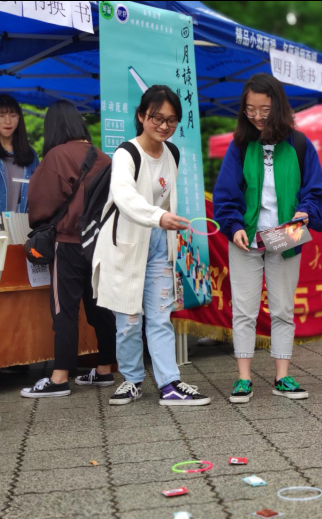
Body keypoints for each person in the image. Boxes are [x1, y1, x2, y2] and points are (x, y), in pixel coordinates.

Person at [213, 73, 322, 404]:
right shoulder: (239, 146)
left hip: (286, 237)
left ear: (277, 106)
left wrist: (305, 211)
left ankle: (282, 377)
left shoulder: (300, 144)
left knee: (282, 309)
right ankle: (243, 378)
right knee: (244, 310)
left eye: (264, 109)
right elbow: (226, 195)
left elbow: (316, 190)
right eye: (250, 109)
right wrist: (233, 225)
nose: (257, 116)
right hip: (245, 239)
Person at [92, 85, 212, 406]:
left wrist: (169, 225)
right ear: (141, 116)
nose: (164, 125)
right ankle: (131, 380)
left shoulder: (172, 152)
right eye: (157, 118)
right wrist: (159, 216)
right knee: (128, 322)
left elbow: (169, 198)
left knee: (160, 317)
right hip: (126, 246)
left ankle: (169, 383)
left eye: (171, 120)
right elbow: (124, 196)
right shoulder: (126, 153)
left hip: (160, 245)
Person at [21, 101, 117, 398]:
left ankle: (60, 377)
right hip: (99, 243)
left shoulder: (56, 156)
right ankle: (104, 369)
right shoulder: (103, 157)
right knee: (101, 307)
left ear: (53, 127)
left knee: (64, 310)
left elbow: (41, 202)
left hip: (68, 243)